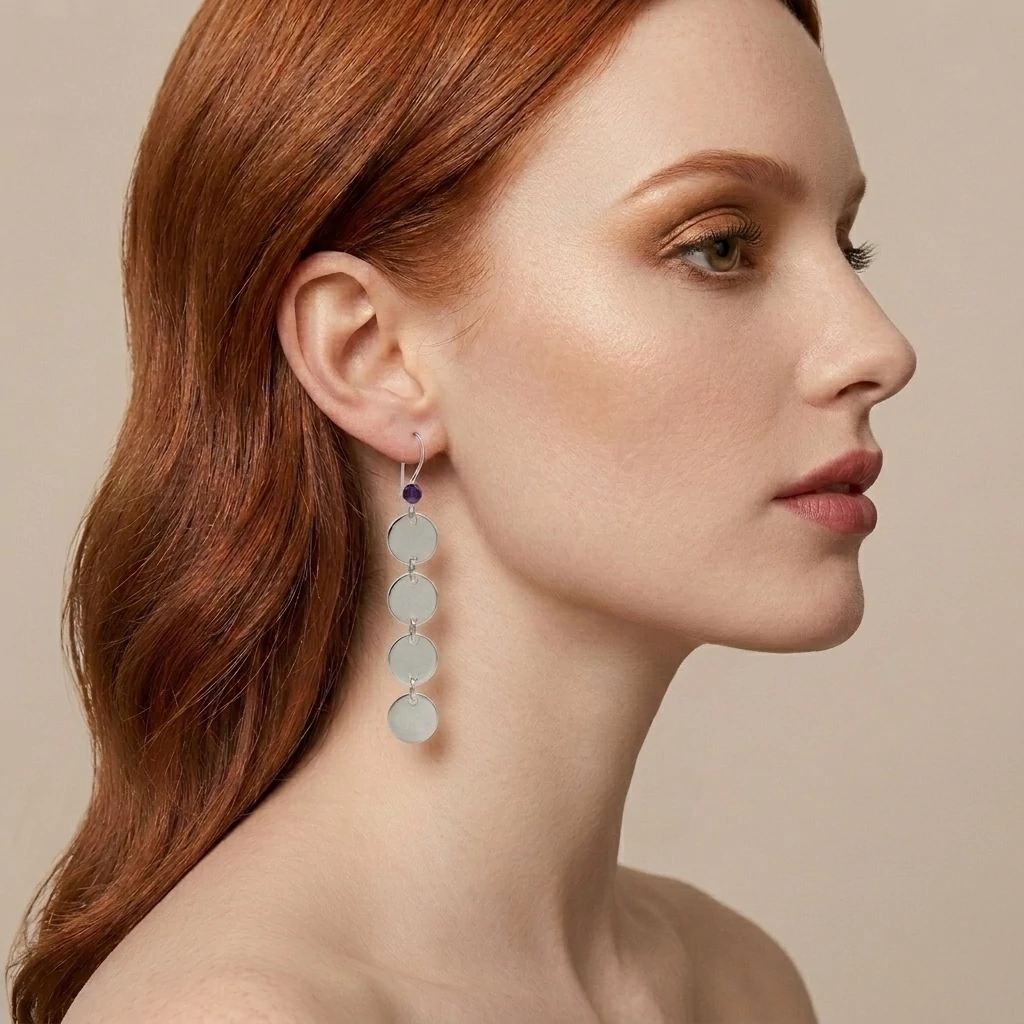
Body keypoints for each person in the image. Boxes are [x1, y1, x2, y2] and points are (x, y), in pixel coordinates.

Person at [8, 0, 916, 1020]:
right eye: (718, 245)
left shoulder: (740, 981)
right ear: (374, 355)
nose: (878, 348)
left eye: (849, 248)